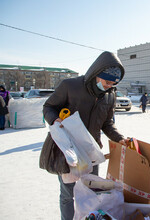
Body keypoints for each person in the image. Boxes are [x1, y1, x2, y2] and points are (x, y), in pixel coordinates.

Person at [43, 51, 127, 220]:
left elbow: (107, 123)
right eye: (107, 81)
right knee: (68, 193)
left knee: (90, 191)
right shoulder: (70, 86)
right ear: (97, 74)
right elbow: (48, 107)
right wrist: (55, 119)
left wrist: (119, 138)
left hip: (91, 152)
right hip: (69, 152)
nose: (110, 85)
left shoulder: (109, 95)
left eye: (113, 83)